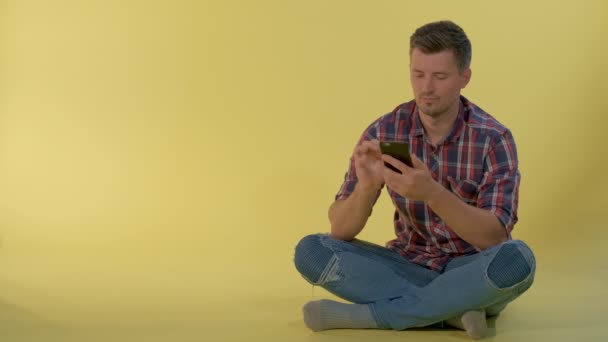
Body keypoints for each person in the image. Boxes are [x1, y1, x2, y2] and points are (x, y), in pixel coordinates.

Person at [293, 20, 535, 340]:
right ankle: (454, 311)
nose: (426, 88)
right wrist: (366, 188)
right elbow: (341, 230)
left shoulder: (494, 138)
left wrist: (433, 193)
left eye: (440, 76)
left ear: (465, 77)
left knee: (518, 260)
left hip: (471, 268)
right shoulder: (386, 131)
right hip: (406, 263)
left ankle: (376, 316)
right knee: (311, 251)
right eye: (417, 74)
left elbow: (493, 238)